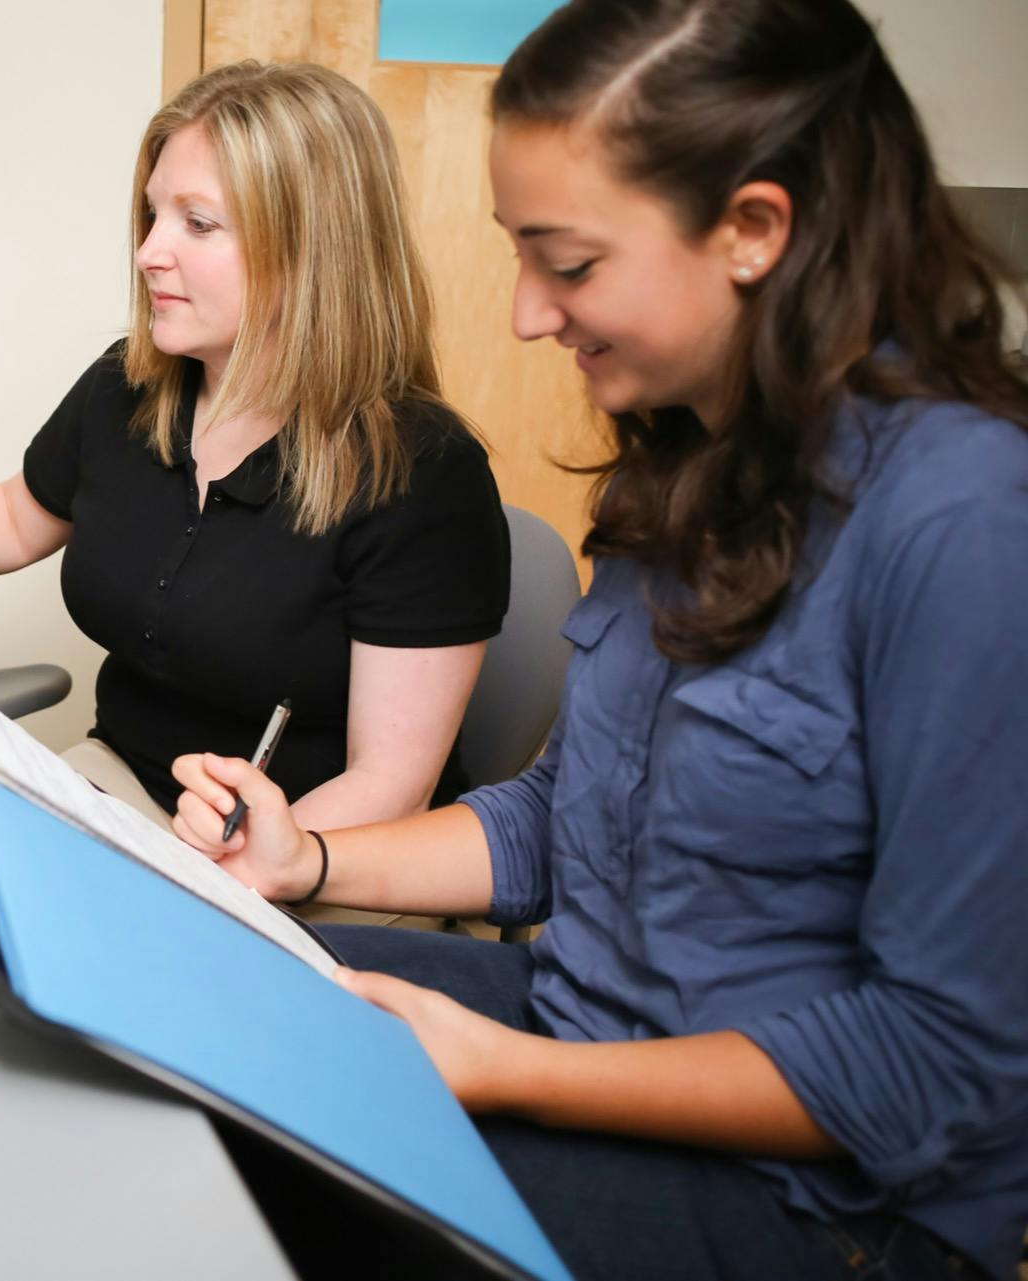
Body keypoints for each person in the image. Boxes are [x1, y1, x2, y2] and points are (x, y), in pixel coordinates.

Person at [171, 1, 1028, 1277]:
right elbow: (561, 818)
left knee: (222, 1182)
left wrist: (511, 1075)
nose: (525, 314)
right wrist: (309, 863)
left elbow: (932, 1063)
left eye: (567, 265)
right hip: (577, 1031)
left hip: (819, 1202)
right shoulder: (689, 457)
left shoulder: (967, 526)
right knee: (187, 997)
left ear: (754, 230)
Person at [0, 62, 510, 834]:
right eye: (153, 216)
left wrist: (231, 867)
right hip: (121, 789)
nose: (150, 250)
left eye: (197, 223)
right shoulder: (133, 387)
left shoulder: (423, 473)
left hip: (309, 848)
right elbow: (21, 515)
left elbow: (390, 784)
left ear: (313, 249)